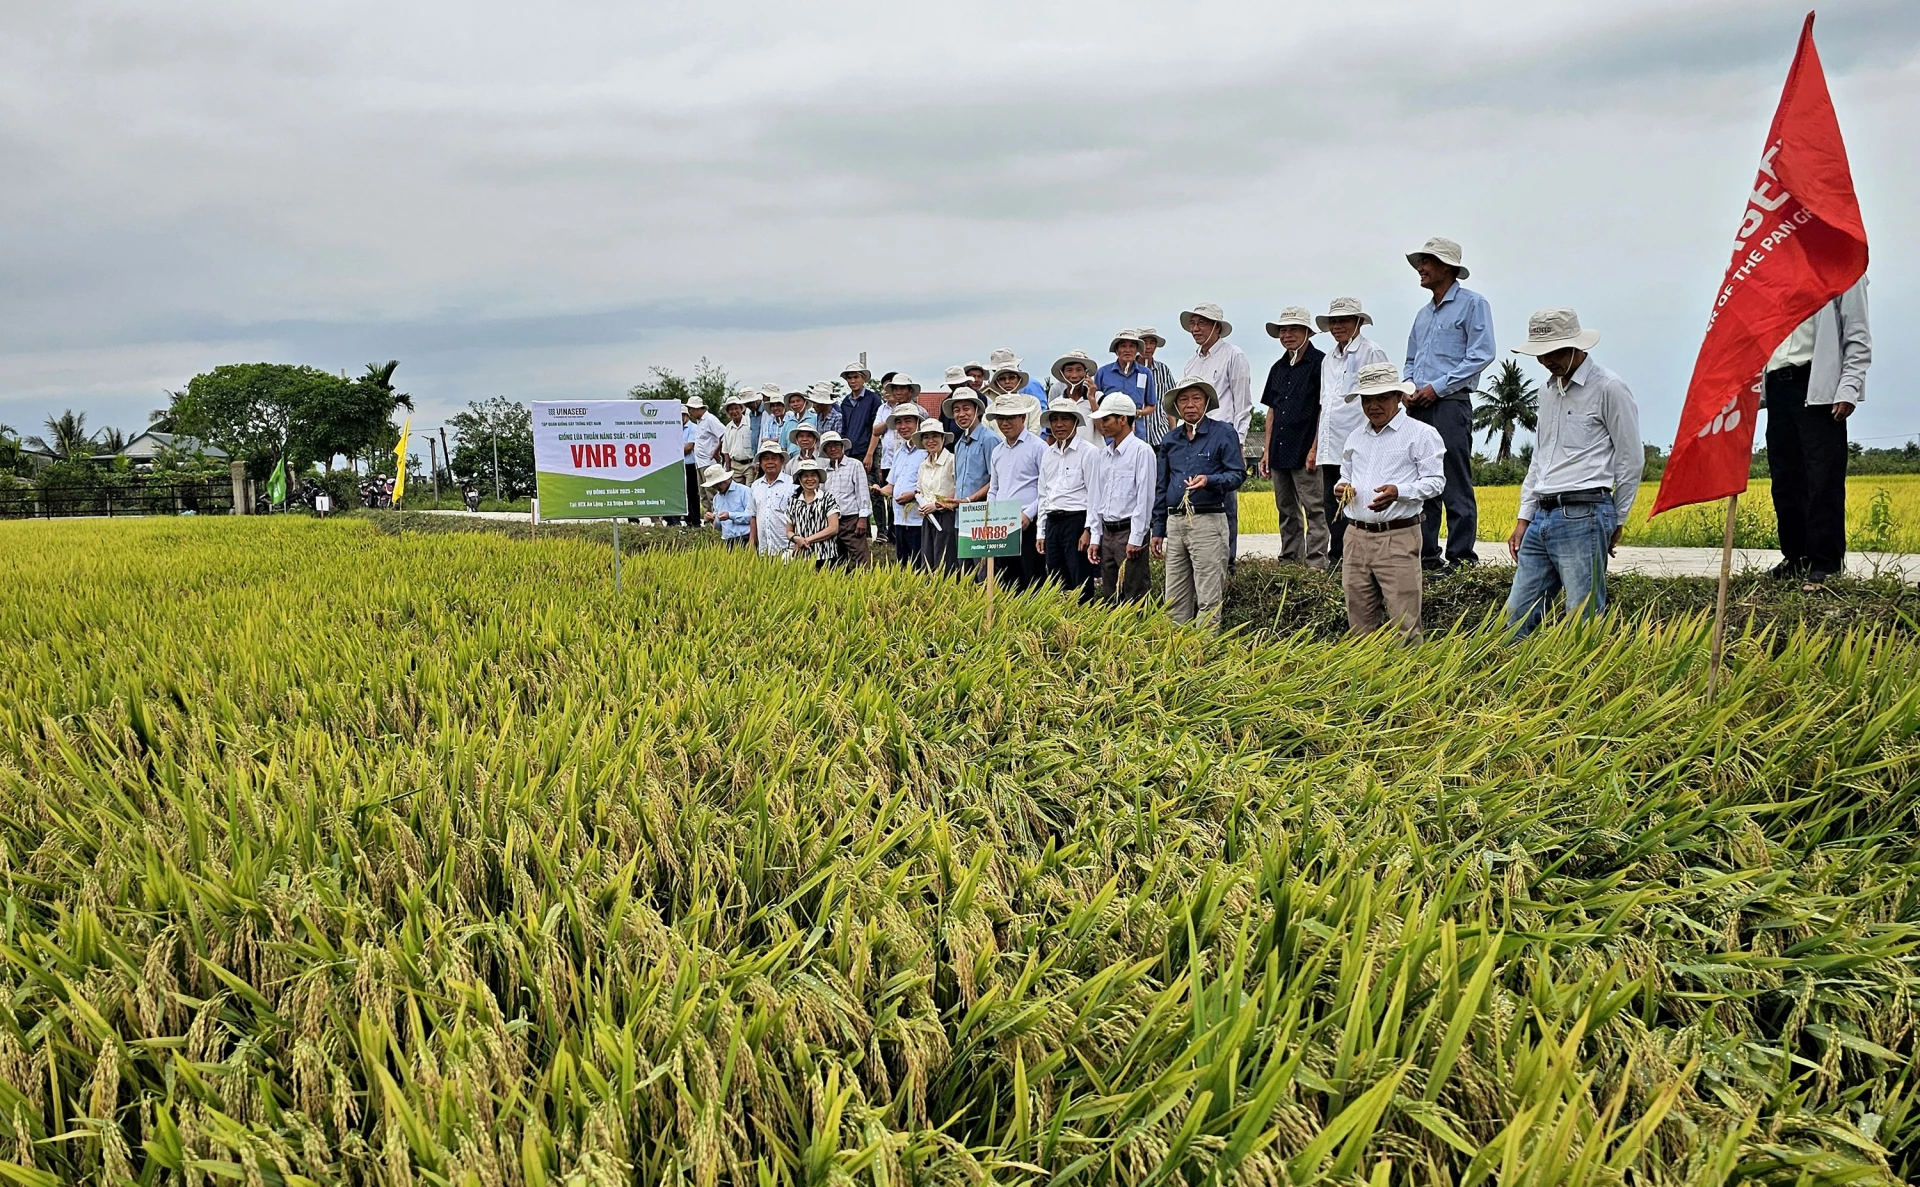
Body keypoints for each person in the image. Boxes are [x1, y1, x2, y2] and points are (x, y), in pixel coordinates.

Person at [1502, 310, 1642, 636]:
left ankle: (1585, 684)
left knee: (1583, 617)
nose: (1546, 360)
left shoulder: (1609, 388)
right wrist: (1524, 519)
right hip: (1542, 516)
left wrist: (1617, 519)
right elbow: (1540, 459)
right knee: (1517, 618)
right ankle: (1515, 681)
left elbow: (1630, 459)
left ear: (1576, 347)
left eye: (1554, 352)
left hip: (1584, 512)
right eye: (1541, 354)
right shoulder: (1546, 392)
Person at [1765, 276, 1871, 584]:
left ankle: (1826, 562)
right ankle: (1796, 557)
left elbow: (1858, 335)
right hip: (1778, 383)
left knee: (1823, 478)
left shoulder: (1843, 269)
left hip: (1817, 383)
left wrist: (1848, 387)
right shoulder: (1776, 273)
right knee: (1784, 477)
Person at [1336, 363, 1445, 642]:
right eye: (1367, 399)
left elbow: (1436, 482)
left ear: (1398, 397)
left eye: (1381, 398)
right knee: (1358, 622)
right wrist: (1342, 488)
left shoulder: (1421, 434)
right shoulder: (1355, 437)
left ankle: (1407, 679)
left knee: (1404, 624)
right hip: (1355, 536)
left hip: (1398, 536)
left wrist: (1400, 491)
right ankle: (1365, 679)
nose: (1373, 405)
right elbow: (1345, 475)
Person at [1404, 236, 1495, 570]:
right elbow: (1411, 360)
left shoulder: (1473, 304)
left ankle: (1461, 558)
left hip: (1451, 403)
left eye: (1426, 262)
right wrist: (1409, 387)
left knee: (1454, 479)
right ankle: (1427, 557)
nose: (1421, 269)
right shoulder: (1422, 315)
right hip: (1419, 406)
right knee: (1422, 480)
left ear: (1447, 267)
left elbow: (1481, 354)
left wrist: (1438, 388)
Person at [1152, 377, 1245, 627]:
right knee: (1174, 597)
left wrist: (1209, 480)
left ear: (1206, 403)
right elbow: (1162, 486)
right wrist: (1158, 529)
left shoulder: (1223, 432)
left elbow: (1237, 474)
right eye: (1184, 399)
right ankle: (1177, 654)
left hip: (1207, 520)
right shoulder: (1170, 440)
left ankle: (1204, 653)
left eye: (1196, 398)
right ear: (1177, 407)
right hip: (1175, 521)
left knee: (1208, 596)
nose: (1190, 404)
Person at [1316, 297, 1390, 566]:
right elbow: (1325, 404)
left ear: (1358, 322)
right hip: (1329, 444)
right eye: (1333, 321)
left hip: (1360, 443)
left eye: (1343, 320)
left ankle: (1360, 559)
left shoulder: (1371, 352)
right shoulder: (1328, 360)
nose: (1337, 326)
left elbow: (1384, 398)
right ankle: (1337, 559)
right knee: (1332, 504)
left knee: (1359, 501)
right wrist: (1316, 446)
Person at [1178, 302, 1253, 565]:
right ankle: (1200, 557)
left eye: (1202, 323)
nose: (1196, 329)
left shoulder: (1234, 355)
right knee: (1196, 497)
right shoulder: (1191, 363)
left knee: (1226, 501)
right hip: (1194, 437)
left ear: (1217, 327)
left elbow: (1243, 403)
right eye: (1193, 324)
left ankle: (1228, 561)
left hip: (1223, 436)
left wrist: (1239, 442)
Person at [1259, 306, 1329, 568]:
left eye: (1293, 329)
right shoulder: (1278, 368)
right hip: (1279, 448)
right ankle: (1290, 560)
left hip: (1305, 448)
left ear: (1308, 332)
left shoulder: (1320, 363)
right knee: (1286, 509)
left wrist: (1315, 449)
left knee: (1314, 509)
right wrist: (1266, 452)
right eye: (1283, 330)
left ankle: (1316, 563)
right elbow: (1271, 412)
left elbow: (1324, 409)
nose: (1287, 334)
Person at [1086, 393, 1154, 603]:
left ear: (1123, 419)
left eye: (1106, 419)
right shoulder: (1103, 455)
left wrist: (1136, 538)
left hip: (1129, 532)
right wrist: (1095, 537)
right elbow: (1097, 498)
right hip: (1108, 532)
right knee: (1110, 595)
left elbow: (1145, 498)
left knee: (1133, 594)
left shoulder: (1142, 451)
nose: (1102, 424)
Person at [1038, 397, 1097, 599]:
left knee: (1080, 577)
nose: (1059, 424)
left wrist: (1089, 529)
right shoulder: (1048, 454)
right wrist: (1041, 531)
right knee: (1055, 579)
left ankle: (1085, 624)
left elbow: (1094, 494)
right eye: (1054, 420)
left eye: (1065, 419)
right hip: (1054, 521)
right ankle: (1062, 626)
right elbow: (1043, 494)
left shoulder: (1089, 452)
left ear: (1075, 422)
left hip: (1077, 520)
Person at [986, 394, 1046, 588]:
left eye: (1010, 417)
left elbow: (1046, 488)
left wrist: (1028, 514)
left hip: (1028, 523)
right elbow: (994, 488)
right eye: (1001, 418)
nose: (1005, 422)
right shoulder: (998, 451)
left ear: (1023, 418)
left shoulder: (1038, 447)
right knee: (1006, 579)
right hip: (1002, 525)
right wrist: (990, 515)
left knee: (1030, 577)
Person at [946, 386, 996, 571]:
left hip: (982, 518)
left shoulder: (989, 439)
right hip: (962, 518)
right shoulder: (959, 443)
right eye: (957, 410)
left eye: (966, 408)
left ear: (977, 410)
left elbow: (996, 481)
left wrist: (970, 499)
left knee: (983, 573)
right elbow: (959, 483)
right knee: (965, 573)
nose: (961, 414)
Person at [879, 409, 927, 567]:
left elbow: (933, 486)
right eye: (899, 422)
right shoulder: (899, 452)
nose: (903, 426)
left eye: (908, 421)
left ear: (917, 423)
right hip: (900, 519)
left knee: (919, 566)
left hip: (919, 521)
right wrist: (878, 491)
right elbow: (891, 485)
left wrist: (913, 495)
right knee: (903, 565)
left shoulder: (927, 451)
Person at [821, 431, 871, 568]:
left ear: (842, 446)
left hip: (851, 519)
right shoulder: (824, 471)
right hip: (831, 521)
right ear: (824, 450)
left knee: (860, 557)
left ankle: (865, 585)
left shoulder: (854, 465)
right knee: (836, 559)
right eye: (829, 446)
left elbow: (862, 492)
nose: (833, 449)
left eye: (836, 445)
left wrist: (863, 518)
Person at [914, 419, 958, 571]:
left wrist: (939, 505)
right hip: (928, 519)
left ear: (943, 438)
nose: (931, 441)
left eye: (935, 436)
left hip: (948, 517)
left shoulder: (952, 460)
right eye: (926, 437)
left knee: (945, 561)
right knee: (928, 561)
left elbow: (959, 489)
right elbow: (919, 490)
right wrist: (922, 507)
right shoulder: (923, 465)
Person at [1096, 329, 1157, 439]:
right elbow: (1095, 402)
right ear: (1116, 350)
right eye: (1123, 346)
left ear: (1137, 350)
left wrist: (1139, 413)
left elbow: (1151, 405)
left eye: (1132, 346)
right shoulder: (1103, 372)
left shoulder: (1145, 373)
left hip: (1137, 433)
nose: (1127, 350)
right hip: (1109, 435)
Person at [786, 460, 840, 565]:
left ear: (818, 478)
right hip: (801, 557)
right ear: (800, 479)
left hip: (825, 555)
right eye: (805, 476)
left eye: (813, 475)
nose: (810, 479)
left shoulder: (827, 498)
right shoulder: (793, 501)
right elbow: (789, 531)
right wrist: (796, 538)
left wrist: (806, 540)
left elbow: (833, 528)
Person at [748, 440, 797, 557]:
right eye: (766, 458)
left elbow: (799, 517)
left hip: (787, 549)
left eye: (774, 458)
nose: (770, 462)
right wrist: (751, 542)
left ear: (782, 461)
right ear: (760, 463)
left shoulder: (793, 485)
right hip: (764, 549)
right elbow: (753, 516)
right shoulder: (755, 486)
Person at [1045, 351, 1100, 444]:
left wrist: (1092, 400)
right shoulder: (1056, 403)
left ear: (1086, 373)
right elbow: (1051, 437)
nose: (1074, 375)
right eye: (1069, 370)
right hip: (1067, 455)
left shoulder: (1099, 397)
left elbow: (1103, 429)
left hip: (1095, 454)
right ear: (1062, 374)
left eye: (1079, 370)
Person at [987, 353, 1045, 434]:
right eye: (1002, 379)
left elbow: (1035, 430)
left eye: (1012, 377)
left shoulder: (1032, 402)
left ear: (1019, 379)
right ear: (997, 382)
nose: (1007, 381)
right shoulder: (990, 409)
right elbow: (989, 436)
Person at [701, 464, 753, 549]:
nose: (717, 487)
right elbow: (721, 527)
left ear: (726, 479)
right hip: (728, 540)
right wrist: (713, 519)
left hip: (745, 537)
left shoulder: (744, 491)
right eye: (714, 486)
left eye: (719, 484)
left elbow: (752, 516)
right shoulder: (716, 499)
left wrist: (730, 515)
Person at [672, 405, 701, 527]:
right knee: (680, 493)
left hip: (690, 465)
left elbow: (689, 447)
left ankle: (694, 521)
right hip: (678, 465)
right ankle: (686, 519)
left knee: (692, 494)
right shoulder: (674, 428)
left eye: (682, 415)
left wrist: (673, 453)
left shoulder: (693, 428)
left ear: (686, 415)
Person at [721, 394, 758, 483]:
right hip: (735, 465)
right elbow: (726, 452)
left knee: (749, 491)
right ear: (728, 412)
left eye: (736, 408)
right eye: (731, 409)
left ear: (741, 409)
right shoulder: (728, 428)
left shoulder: (750, 423)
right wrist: (728, 470)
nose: (734, 411)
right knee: (736, 493)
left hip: (749, 464)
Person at [778, 391, 818, 456]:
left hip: (811, 459)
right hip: (792, 460)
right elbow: (783, 446)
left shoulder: (814, 419)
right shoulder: (788, 422)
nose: (795, 404)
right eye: (792, 402)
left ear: (805, 402)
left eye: (798, 401)